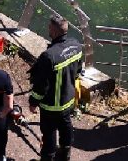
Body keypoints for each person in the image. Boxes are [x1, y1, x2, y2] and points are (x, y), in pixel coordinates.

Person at [28, 14, 83, 161]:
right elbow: (78, 71)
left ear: (53, 30)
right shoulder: (77, 46)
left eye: (49, 27)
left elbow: (41, 85)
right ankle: (65, 154)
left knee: (49, 132)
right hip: (68, 99)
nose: (48, 29)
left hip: (51, 105)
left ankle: (48, 156)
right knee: (66, 125)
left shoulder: (49, 56)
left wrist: (33, 102)